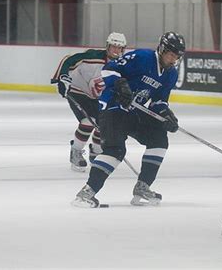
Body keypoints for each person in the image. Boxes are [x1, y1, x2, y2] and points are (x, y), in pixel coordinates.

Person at [72, 32, 185, 208]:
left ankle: (143, 186)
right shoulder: (143, 57)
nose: (173, 60)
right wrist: (119, 84)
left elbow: (158, 101)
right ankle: (86, 192)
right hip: (113, 107)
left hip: (134, 112)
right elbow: (109, 68)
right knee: (116, 151)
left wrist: (166, 115)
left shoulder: (170, 74)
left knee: (159, 139)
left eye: (176, 57)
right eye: (171, 55)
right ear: (162, 49)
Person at [51, 32, 127, 172]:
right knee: (87, 121)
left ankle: (96, 152)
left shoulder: (122, 66)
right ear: (107, 46)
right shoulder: (92, 56)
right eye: (113, 47)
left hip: (99, 98)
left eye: (119, 48)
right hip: (78, 91)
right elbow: (68, 60)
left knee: (103, 123)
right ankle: (76, 151)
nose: (116, 50)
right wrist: (61, 78)